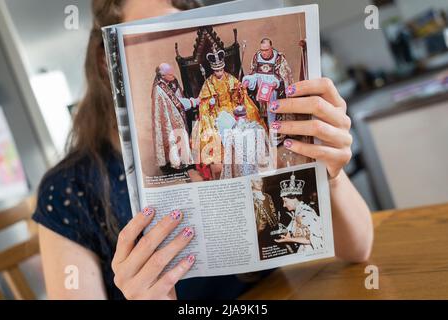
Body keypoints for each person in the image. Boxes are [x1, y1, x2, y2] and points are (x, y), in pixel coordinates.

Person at [33, 0, 374, 300]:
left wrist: (331, 174)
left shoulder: (224, 81)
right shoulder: (68, 190)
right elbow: (201, 106)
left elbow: (359, 250)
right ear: (107, 60)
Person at [194, 46, 266, 165]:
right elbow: (204, 101)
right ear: (213, 70)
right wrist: (210, 103)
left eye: (221, 70)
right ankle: (227, 150)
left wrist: (238, 92)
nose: (219, 73)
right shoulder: (209, 82)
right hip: (218, 110)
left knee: (246, 117)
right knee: (220, 125)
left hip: (231, 106)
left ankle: (245, 147)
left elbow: (239, 95)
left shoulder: (230, 78)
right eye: (217, 71)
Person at [151, 63, 198, 172]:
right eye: (170, 75)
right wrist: (192, 102)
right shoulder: (159, 90)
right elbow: (176, 103)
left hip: (179, 115)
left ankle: (186, 158)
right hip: (170, 121)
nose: (173, 76)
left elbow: (179, 96)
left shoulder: (172, 80)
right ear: (162, 76)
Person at [243, 38, 293, 128]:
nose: (264, 53)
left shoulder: (278, 58)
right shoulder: (256, 56)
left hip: (274, 92)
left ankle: (274, 136)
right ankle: (264, 135)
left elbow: (284, 77)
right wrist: (248, 81)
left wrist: (275, 84)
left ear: (271, 48)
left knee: (273, 112)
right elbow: (254, 74)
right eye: (262, 50)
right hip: (259, 91)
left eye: (266, 50)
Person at [274, 172, 324, 253]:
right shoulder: (297, 213)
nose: (284, 205)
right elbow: (290, 231)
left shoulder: (305, 213)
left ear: (293, 198)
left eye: (285, 201)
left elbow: (313, 239)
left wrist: (289, 239)